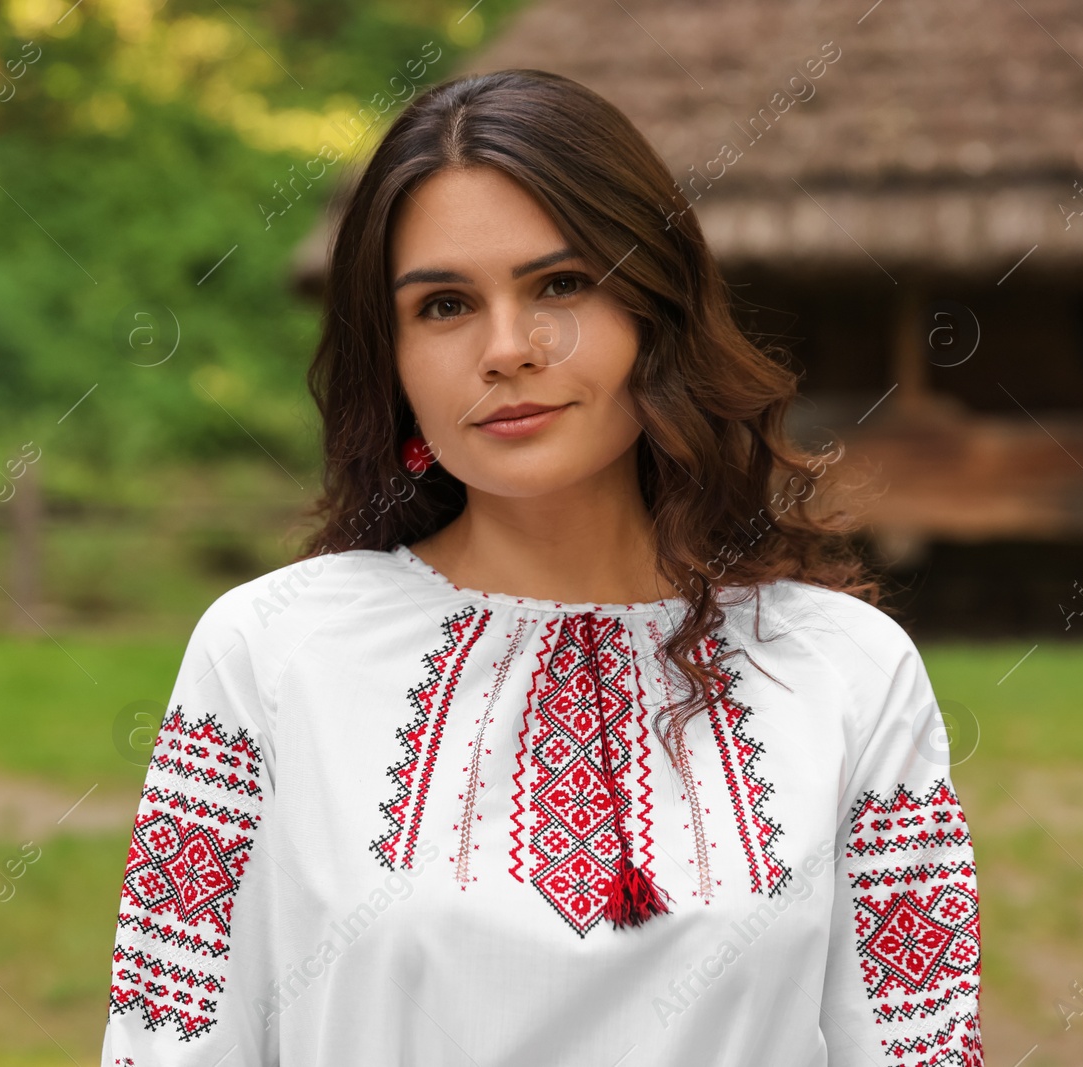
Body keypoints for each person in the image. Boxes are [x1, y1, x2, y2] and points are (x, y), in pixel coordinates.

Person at [100, 69, 982, 1066]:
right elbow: (167, 1046)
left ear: (655, 306)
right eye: (443, 305)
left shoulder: (846, 671)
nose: (507, 348)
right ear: (388, 358)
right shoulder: (268, 654)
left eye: (561, 284)